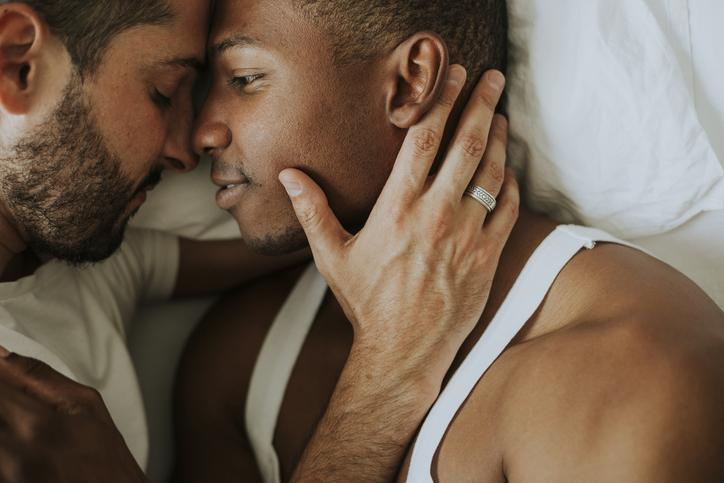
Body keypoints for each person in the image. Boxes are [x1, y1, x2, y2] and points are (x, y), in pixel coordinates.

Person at [174, 0, 724, 481]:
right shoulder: (235, 360)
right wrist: (384, 371)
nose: (201, 132)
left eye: (245, 78)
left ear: (410, 81)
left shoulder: (629, 374)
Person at [0, 1, 518, 481]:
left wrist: (450, 172)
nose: (187, 150)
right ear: (16, 62)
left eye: (243, 80)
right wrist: (390, 368)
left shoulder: (87, 265)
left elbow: (328, 226)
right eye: (163, 91)